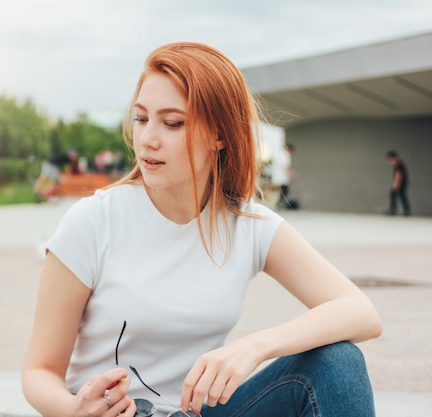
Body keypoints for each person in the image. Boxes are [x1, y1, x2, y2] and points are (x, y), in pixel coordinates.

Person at [22, 42, 382, 417]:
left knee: (338, 360)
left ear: (219, 135)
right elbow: (39, 372)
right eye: (142, 118)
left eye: (172, 122)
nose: (148, 138)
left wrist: (253, 347)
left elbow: (360, 312)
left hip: (198, 413)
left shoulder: (249, 226)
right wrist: (73, 410)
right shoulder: (93, 221)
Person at [270, 143, 296, 209]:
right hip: (281, 177)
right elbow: (284, 166)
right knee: (284, 191)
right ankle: (278, 205)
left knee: (281, 191)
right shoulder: (284, 155)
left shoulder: (279, 154)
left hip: (278, 177)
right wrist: (291, 172)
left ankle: (278, 204)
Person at [385, 150, 410, 216]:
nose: (389, 161)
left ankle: (393, 210)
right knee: (402, 196)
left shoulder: (398, 164)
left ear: (392, 158)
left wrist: (396, 184)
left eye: (389, 159)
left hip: (400, 183)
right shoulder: (399, 164)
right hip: (401, 183)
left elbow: (399, 174)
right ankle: (406, 210)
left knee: (395, 194)